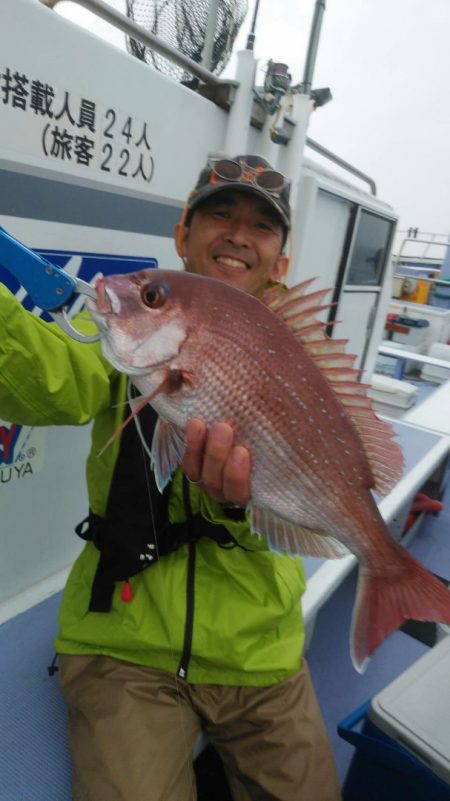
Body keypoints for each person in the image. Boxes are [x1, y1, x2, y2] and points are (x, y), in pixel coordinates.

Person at [0, 154, 341, 801]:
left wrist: (236, 508)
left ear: (282, 260)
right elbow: (46, 375)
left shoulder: (303, 362)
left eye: (261, 225)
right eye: (220, 213)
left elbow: (313, 499)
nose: (239, 233)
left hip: (259, 645)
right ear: (183, 233)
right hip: (124, 644)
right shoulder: (137, 326)